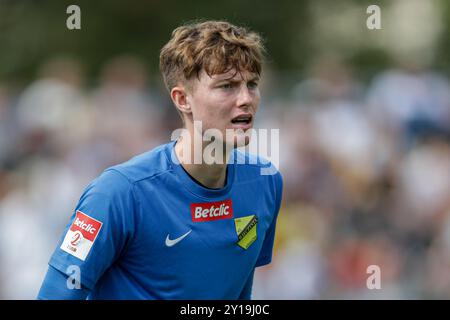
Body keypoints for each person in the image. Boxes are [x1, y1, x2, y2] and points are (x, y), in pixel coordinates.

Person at [37, 20, 283, 300]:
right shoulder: (119, 192)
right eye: (227, 86)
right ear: (182, 99)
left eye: (252, 84)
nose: (246, 99)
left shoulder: (265, 182)